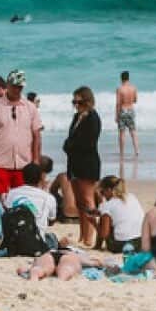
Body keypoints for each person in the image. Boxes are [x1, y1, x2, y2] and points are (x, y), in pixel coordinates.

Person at [0, 69, 43, 200]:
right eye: (14, 86)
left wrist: (36, 160)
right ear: (7, 85)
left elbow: (36, 135)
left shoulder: (30, 107)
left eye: (20, 87)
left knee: (21, 200)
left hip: (24, 164)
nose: (17, 89)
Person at [64, 85, 101, 246]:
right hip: (74, 163)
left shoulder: (93, 118)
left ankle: (90, 236)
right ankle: (83, 234)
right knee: (79, 202)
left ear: (88, 101)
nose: (76, 106)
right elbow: (71, 138)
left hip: (87, 163)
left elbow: (88, 143)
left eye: (79, 102)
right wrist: (69, 146)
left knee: (88, 200)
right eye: (74, 102)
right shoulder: (77, 117)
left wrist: (70, 146)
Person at [3, 162, 57, 238]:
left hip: (14, 241)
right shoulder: (48, 197)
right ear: (41, 178)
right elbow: (51, 221)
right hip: (37, 241)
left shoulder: (12, 193)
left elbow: (7, 211)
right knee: (52, 237)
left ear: (23, 177)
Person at [94, 176, 143, 253]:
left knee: (103, 220)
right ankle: (97, 246)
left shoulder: (106, 205)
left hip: (122, 245)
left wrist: (93, 222)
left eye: (102, 192)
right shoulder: (132, 196)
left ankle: (97, 246)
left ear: (109, 190)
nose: (102, 195)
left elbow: (104, 234)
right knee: (108, 217)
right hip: (140, 243)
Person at [19, 247, 103, 281]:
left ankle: (34, 277)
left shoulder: (53, 249)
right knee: (67, 269)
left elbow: (34, 260)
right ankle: (61, 279)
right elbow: (92, 263)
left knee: (41, 268)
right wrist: (96, 263)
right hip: (68, 256)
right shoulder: (76, 253)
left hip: (50, 253)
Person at [115, 70, 139, 159]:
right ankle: (136, 150)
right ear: (128, 78)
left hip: (122, 110)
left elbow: (118, 103)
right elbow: (135, 100)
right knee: (133, 131)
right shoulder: (133, 88)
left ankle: (122, 153)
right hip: (131, 110)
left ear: (121, 78)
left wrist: (116, 115)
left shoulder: (120, 89)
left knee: (122, 133)